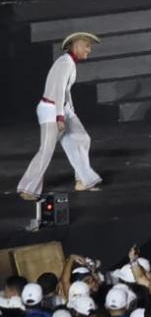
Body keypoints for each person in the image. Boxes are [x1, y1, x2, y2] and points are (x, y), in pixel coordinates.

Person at [17, 32, 103, 199]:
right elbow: (58, 90)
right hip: (51, 110)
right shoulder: (65, 63)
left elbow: (65, 91)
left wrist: (70, 111)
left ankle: (82, 180)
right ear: (77, 45)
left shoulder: (69, 62)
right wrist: (60, 117)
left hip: (61, 109)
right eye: (87, 46)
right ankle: (28, 189)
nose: (89, 50)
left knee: (81, 138)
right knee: (46, 150)